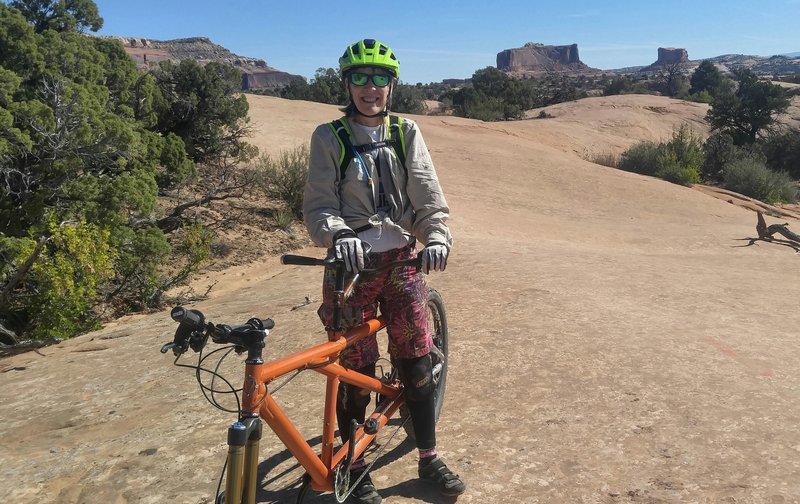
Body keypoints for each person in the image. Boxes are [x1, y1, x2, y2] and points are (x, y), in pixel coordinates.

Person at [302, 39, 465, 503]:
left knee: (416, 362)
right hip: (351, 269)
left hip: (402, 265)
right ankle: (354, 465)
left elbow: (428, 194)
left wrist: (437, 235)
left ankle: (429, 456)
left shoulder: (405, 132)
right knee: (354, 369)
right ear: (347, 84)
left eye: (379, 78)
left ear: (392, 85)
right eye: (359, 78)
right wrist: (338, 234)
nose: (369, 88)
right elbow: (317, 205)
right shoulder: (328, 137)